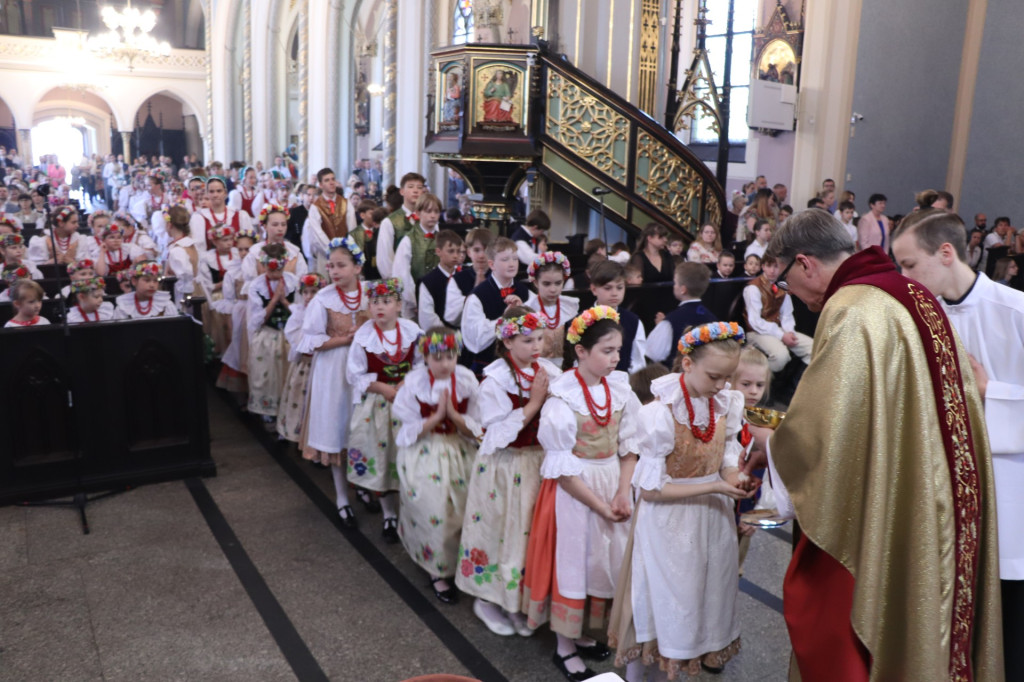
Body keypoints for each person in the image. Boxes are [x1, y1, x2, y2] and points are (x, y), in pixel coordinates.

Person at [748, 209, 1003, 680]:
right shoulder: (913, 294)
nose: (792, 295)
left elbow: (824, 435)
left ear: (804, 263)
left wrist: (772, 440)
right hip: (936, 497)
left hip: (884, 508)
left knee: (841, 620)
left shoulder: (852, 308)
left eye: (783, 280)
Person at [892, 209, 1024, 679]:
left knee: (1008, 637)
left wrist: (992, 395)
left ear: (946, 253)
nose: (904, 278)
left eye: (909, 265)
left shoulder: (1015, 311)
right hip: (945, 501)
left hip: (1011, 506)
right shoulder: (921, 321)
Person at [610, 322, 752, 679]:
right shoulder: (659, 414)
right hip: (669, 521)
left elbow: (728, 455)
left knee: (700, 598)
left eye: (728, 377)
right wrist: (716, 487)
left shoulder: (725, 402)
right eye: (714, 376)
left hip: (711, 519)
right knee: (665, 599)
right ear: (687, 365)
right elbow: (653, 489)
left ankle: (682, 662)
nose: (721, 386)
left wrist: (735, 477)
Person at [523, 306, 641, 681]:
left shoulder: (620, 390)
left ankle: (587, 633)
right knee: (573, 562)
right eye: (606, 350)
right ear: (581, 352)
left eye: (618, 350)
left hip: (611, 481)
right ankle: (564, 646)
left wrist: (623, 492)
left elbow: (628, 448)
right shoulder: (562, 399)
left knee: (605, 561)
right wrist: (601, 507)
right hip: (575, 492)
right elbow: (564, 473)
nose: (615, 358)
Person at [457, 308, 560, 635]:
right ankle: (487, 600)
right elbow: (499, 433)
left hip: (536, 462)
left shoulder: (545, 370)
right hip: (506, 465)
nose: (537, 346)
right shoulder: (496, 379)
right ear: (508, 341)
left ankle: (516, 602)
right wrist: (534, 403)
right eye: (528, 340)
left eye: (540, 339)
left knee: (527, 533)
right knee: (501, 529)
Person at [392, 328, 481, 604]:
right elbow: (407, 431)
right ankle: (437, 569)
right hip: (426, 449)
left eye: (450, 357)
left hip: (458, 447)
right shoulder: (414, 384)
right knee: (435, 508)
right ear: (426, 357)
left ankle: (458, 561)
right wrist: (436, 418)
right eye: (438, 357)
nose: (445, 364)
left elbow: (476, 423)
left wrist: (454, 416)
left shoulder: (466, 380)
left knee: (463, 508)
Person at [296, 238, 369, 523]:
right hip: (333, 371)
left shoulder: (370, 294)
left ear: (357, 267)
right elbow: (308, 340)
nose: (334, 271)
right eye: (331, 266)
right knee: (337, 430)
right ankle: (341, 497)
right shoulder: (323, 298)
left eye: (341, 265)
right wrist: (342, 339)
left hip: (364, 370)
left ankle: (364, 485)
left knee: (362, 429)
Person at [346, 278, 422, 541]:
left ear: (399, 305)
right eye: (375, 302)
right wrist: (382, 387)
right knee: (384, 458)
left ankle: (410, 514)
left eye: (386, 301)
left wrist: (404, 382)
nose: (380, 307)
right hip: (378, 406)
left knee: (407, 458)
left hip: (407, 404)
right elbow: (354, 374)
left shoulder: (412, 331)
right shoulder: (364, 337)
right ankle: (389, 514)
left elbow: (422, 364)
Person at [459, 237, 531, 376]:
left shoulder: (525, 292)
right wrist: (504, 319)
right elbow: (475, 341)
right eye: (505, 260)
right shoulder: (477, 297)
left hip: (520, 364)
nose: (512, 264)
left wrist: (524, 312)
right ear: (491, 264)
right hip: (487, 365)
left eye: (515, 259)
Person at [246, 244, 298, 424]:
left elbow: (299, 312)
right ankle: (267, 410)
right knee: (267, 373)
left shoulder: (292, 282)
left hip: (288, 335)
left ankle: (287, 412)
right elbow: (255, 319)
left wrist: (284, 301)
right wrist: (274, 299)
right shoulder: (257, 285)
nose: (275, 273)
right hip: (267, 334)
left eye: (279, 269)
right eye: (270, 269)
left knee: (286, 374)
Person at [276, 273, 326, 444]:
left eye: (313, 292)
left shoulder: (326, 312)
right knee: (298, 396)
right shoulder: (299, 313)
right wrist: (307, 341)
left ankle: (315, 438)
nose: (308, 296)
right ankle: (293, 431)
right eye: (306, 292)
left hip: (320, 365)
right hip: (304, 363)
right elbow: (292, 333)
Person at [645, 262, 718, 367]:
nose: (674, 286)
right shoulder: (713, 319)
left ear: (683, 289)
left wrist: (662, 326)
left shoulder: (671, 322)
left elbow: (652, 353)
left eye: (675, 283)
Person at [588, 260, 647, 373]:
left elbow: (637, 363)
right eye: (608, 288)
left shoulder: (633, 321)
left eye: (619, 288)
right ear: (594, 289)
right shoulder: (580, 321)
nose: (615, 293)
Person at [393, 192, 444, 320]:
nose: (433, 216)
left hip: (439, 300)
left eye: (436, 212)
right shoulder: (409, 240)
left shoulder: (442, 239)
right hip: (413, 304)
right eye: (428, 211)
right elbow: (402, 273)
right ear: (418, 213)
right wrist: (414, 300)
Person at [524, 252, 577, 360]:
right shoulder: (528, 310)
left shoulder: (570, 307)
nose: (553, 289)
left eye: (558, 283)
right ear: (535, 283)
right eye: (546, 284)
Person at [302, 168, 356, 274]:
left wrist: (347, 249)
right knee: (325, 285)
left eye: (333, 179)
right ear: (321, 185)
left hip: (345, 252)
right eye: (327, 180)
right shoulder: (315, 207)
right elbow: (318, 233)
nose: (331, 183)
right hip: (324, 254)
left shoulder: (346, 203)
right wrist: (332, 251)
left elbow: (352, 228)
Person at [197, 225, 238, 356]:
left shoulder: (237, 254)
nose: (229, 243)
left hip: (237, 297)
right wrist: (226, 282)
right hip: (218, 297)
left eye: (230, 239)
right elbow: (208, 285)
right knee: (221, 330)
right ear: (214, 242)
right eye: (224, 240)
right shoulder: (207, 258)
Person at [376, 172, 426, 279]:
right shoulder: (389, 222)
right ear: (402, 191)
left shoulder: (428, 219)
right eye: (411, 187)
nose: (416, 190)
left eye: (419, 187)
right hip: (401, 282)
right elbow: (384, 260)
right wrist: (396, 283)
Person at [416, 229, 464, 331]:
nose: (456, 255)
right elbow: (427, 317)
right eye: (451, 251)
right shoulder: (428, 282)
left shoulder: (464, 278)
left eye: (458, 251)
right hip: (440, 338)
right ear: (438, 252)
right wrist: (449, 334)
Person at [190, 177, 254, 252]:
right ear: (207, 194)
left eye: (219, 191)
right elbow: (198, 248)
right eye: (211, 191)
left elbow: (249, 243)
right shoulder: (199, 217)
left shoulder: (240, 215)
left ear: (225, 193)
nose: (215, 195)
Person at [114, 261, 179, 319]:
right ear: (134, 281)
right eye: (147, 280)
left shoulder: (165, 304)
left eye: (155, 281)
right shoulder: (124, 305)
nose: (152, 285)